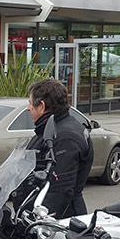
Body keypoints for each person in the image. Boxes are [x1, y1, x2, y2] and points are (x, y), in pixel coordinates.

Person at [23, 77, 92, 218]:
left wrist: (40, 221)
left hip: (60, 221)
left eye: (30, 103)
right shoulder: (52, 128)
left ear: (41, 106)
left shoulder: (65, 137)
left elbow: (60, 189)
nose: (28, 108)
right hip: (46, 211)